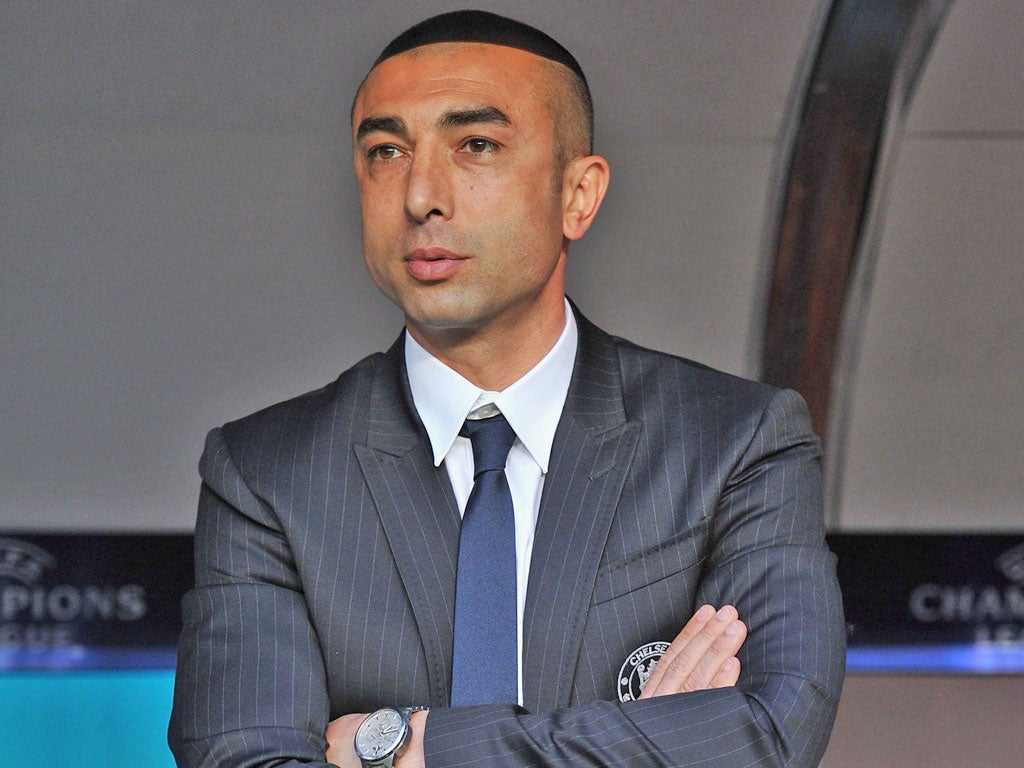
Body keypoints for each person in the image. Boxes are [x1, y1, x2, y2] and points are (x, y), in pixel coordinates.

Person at [169, 10, 845, 768]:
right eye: (386, 151)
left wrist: (397, 747)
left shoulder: (735, 441)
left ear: (578, 196)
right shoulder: (267, 473)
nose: (421, 195)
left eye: (476, 145)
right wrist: (646, 746)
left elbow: (766, 734)